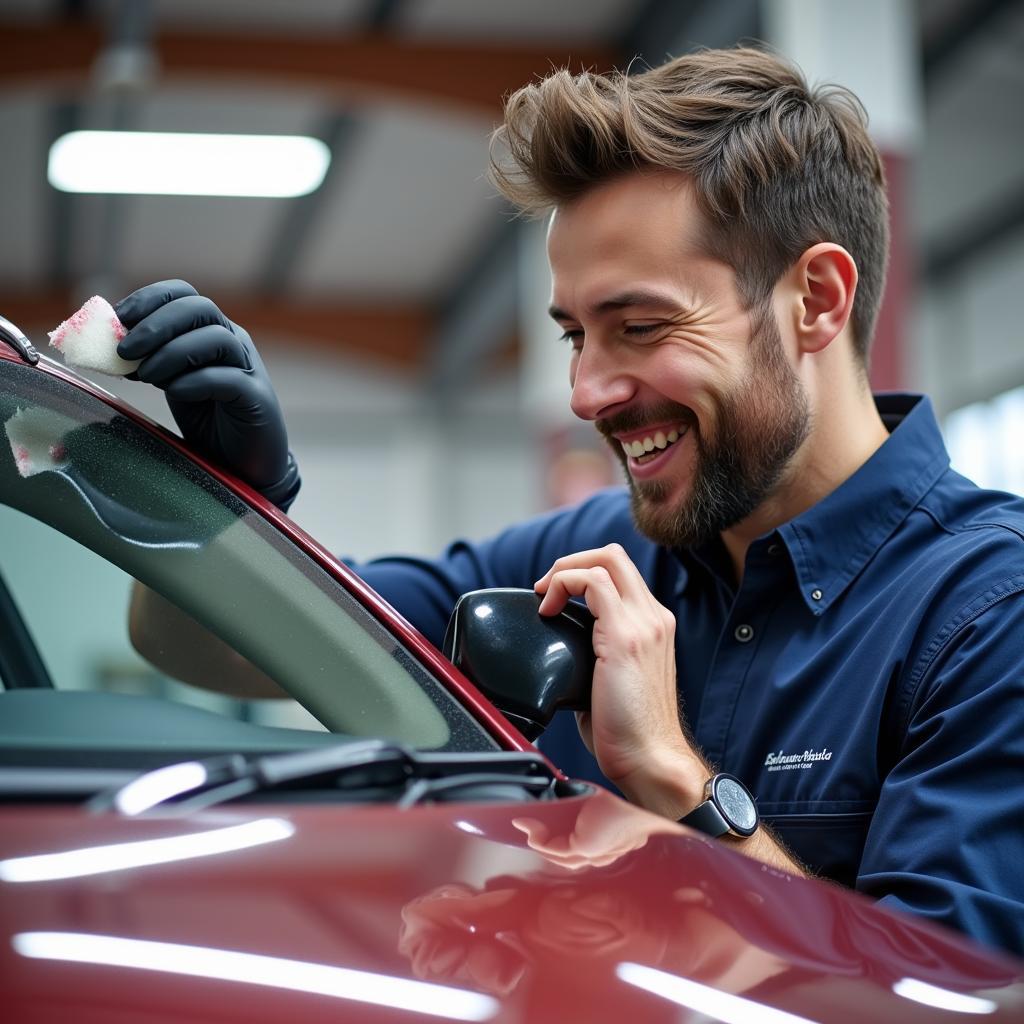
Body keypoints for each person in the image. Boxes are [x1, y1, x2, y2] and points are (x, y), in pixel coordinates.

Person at [114, 46, 1024, 955]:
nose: (587, 393)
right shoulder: (589, 558)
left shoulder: (989, 615)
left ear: (816, 300)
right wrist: (231, 505)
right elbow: (192, 641)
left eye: (640, 327)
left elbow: (946, 999)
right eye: (575, 337)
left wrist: (678, 784)